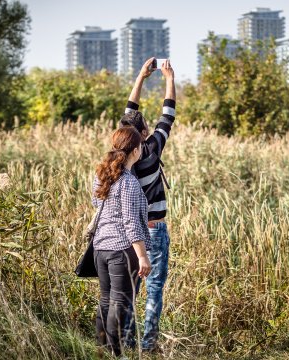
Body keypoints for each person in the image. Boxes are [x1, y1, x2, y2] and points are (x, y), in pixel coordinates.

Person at [120, 57, 176, 352]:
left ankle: (127, 343)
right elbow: (168, 115)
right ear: (144, 133)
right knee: (154, 288)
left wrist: (141, 76)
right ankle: (149, 344)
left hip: (129, 234)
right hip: (154, 230)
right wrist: (168, 78)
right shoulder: (152, 149)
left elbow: (129, 115)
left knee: (131, 289)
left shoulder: (121, 156)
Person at [92, 126, 151, 357]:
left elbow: (97, 206)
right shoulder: (128, 182)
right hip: (120, 250)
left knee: (106, 300)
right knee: (119, 303)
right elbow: (130, 223)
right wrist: (142, 256)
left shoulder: (100, 175)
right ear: (136, 151)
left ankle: (102, 350)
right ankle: (116, 354)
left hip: (100, 248)